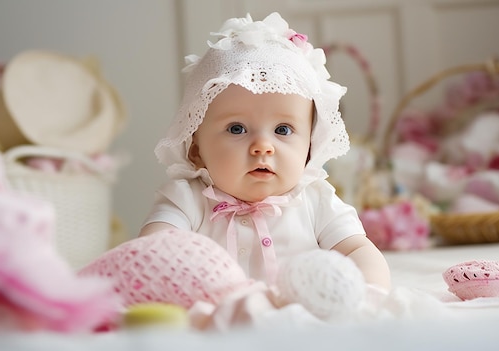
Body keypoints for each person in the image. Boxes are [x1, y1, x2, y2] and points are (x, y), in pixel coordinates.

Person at [139, 12, 391, 291]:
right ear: (195, 149)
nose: (263, 146)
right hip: (215, 319)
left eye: (283, 130)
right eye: (237, 128)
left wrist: (368, 293)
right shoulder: (187, 200)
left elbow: (358, 250)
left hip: (299, 320)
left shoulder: (316, 201)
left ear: (309, 147)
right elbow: (152, 249)